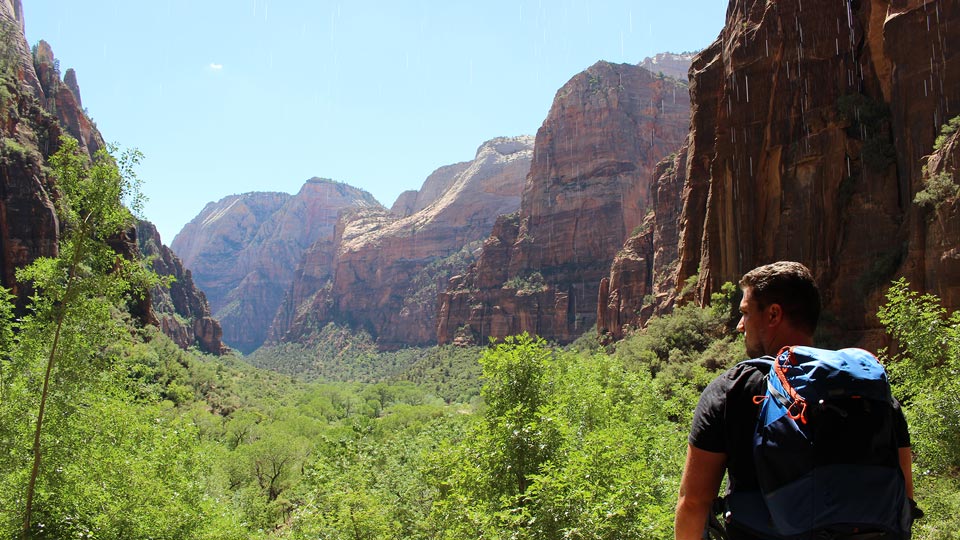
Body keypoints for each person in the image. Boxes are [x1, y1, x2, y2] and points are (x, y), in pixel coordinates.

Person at [674, 261, 914, 540]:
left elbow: (693, 504)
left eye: (745, 313)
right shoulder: (869, 388)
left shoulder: (733, 389)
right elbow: (905, 499)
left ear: (773, 314)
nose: (740, 326)